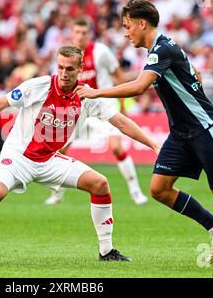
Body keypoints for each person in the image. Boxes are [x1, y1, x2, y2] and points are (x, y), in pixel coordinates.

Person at [76, 0, 213, 267]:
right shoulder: (163, 48)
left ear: (142, 23)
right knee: (159, 188)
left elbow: (139, 87)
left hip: (204, 128)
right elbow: (195, 72)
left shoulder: (162, 49)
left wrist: (96, 92)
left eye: (127, 25)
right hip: (181, 134)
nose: (125, 31)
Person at [0, 45, 160, 261]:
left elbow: (121, 123)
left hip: (49, 160)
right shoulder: (39, 86)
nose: (63, 73)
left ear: (80, 70)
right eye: (60, 67)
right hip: (17, 157)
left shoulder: (88, 97)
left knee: (99, 183)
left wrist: (153, 145)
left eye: (69, 69)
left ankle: (106, 251)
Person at [44, 17, 148, 206]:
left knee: (116, 147)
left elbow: (119, 78)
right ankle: (57, 193)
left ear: (89, 34)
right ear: (71, 34)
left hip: (102, 106)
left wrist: (123, 106)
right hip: (77, 109)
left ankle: (136, 191)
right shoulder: (66, 56)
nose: (80, 36)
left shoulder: (101, 51)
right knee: (60, 149)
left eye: (84, 33)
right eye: (76, 32)